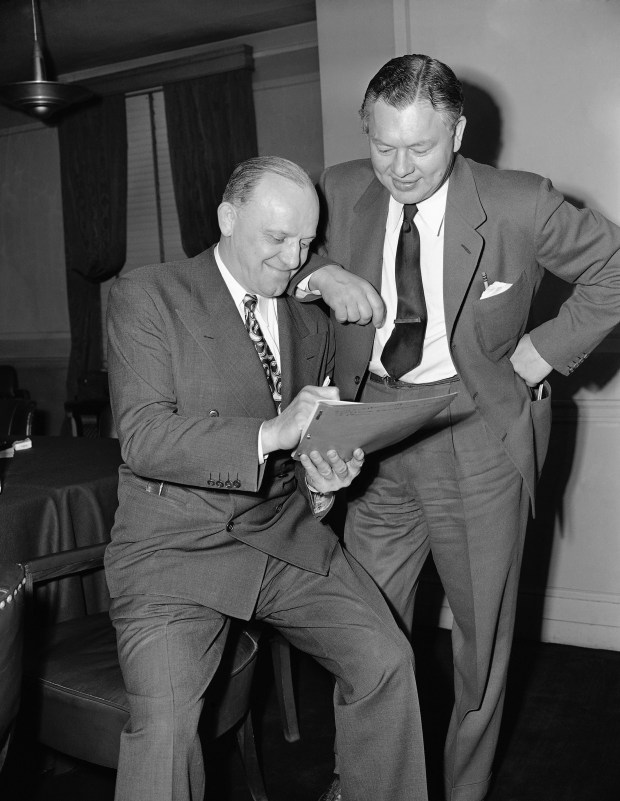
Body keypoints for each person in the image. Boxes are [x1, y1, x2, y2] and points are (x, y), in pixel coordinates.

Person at [293, 54, 620, 801]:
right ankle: (367, 785)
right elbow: (272, 255)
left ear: (459, 133)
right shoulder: (337, 190)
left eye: (421, 147)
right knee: (363, 632)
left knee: (479, 647)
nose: (400, 168)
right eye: (383, 146)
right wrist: (319, 274)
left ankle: (464, 790)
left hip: (476, 437)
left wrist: (541, 352)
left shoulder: (520, 202)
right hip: (372, 434)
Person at [104, 155, 428, 801]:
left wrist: (324, 483)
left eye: (306, 243)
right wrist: (272, 432)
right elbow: (143, 437)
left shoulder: (309, 319)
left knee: (388, 661)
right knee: (165, 732)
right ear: (227, 219)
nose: (292, 259)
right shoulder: (149, 294)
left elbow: (306, 460)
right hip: (175, 548)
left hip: (282, 539)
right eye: (276, 238)